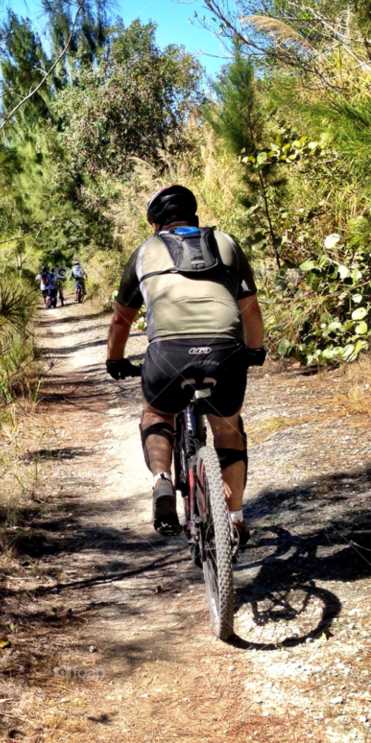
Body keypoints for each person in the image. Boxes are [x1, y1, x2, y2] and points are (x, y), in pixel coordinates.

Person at [105, 184, 265, 540]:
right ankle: (235, 517)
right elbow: (249, 307)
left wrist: (115, 361)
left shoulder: (145, 252)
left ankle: (162, 480)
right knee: (227, 428)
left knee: (158, 413)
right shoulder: (226, 243)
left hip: (168, 356)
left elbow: (120, 320)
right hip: (225, 353)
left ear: (154, 225)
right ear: (194, 216)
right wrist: (255, 350)